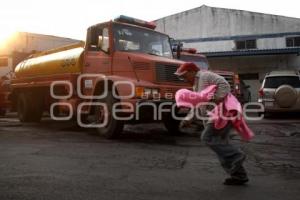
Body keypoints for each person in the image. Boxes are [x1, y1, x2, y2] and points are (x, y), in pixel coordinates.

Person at [174, 62, 249, 185]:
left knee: (207, 138)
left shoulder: (204, 76)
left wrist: (217, 97)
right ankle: (239, 175)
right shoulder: (196, 85)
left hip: (222, 114)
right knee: (220, 146)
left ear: (192, 71)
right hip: (216, 116)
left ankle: (237, 156)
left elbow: (224, 84)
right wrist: (188, 119)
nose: (183, 78)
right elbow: (197, 104)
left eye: (184, 75)